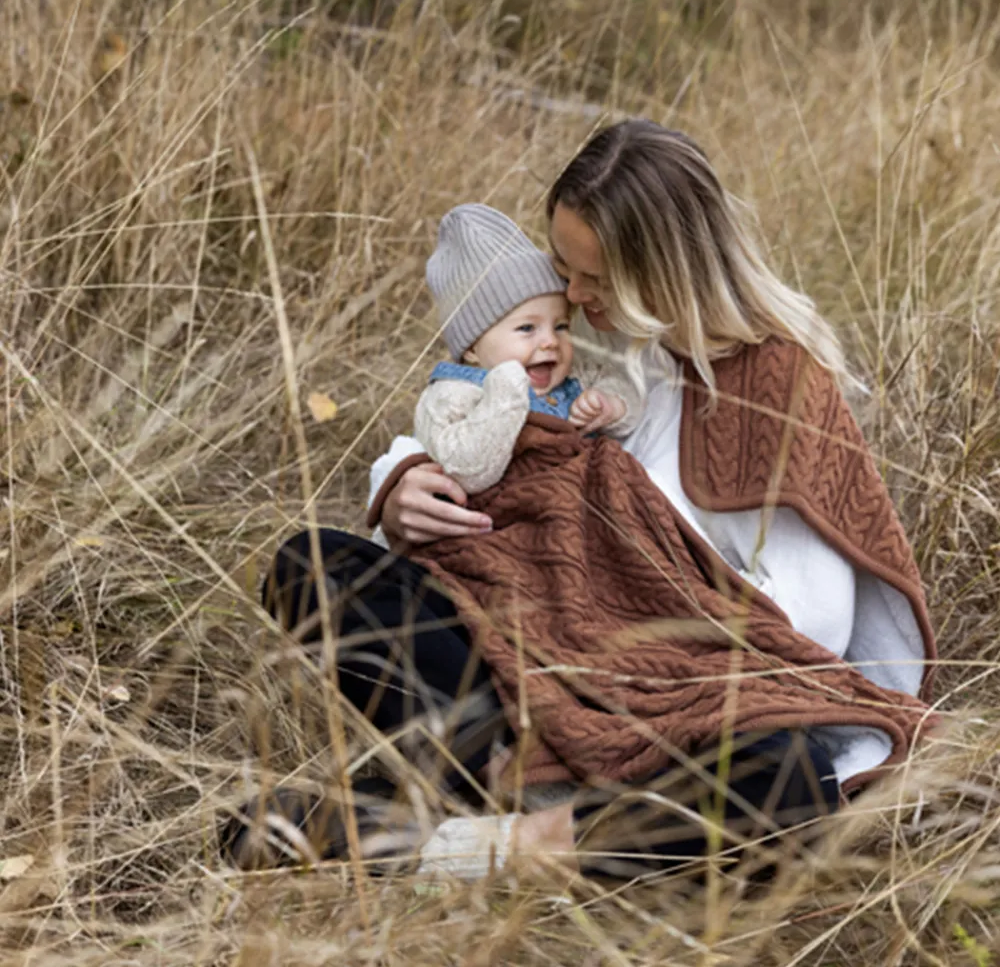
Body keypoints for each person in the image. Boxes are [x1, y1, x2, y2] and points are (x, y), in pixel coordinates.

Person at [222, 120, 936, 881]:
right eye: (564, 268)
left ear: (655, 271)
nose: (570, 295)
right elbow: (523, 446)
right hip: (541, 681)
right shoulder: (650, 366)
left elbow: (814, 627)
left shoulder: (779, 389)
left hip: (696, 721)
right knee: (314, 565)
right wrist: (399, 484)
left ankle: (444, 845)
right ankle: (532, 799)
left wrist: (617, 648)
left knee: (783, 780)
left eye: (588, 278)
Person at [413, 203, 642, 495]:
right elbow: (467, 472)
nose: (550, 341)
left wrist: (612, 405)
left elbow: (629, 394)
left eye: (560, 326)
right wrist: (505, 397)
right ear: (471, 347)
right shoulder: (452, 394)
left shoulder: (578, 374)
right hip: (503, 514)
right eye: (527, 329)